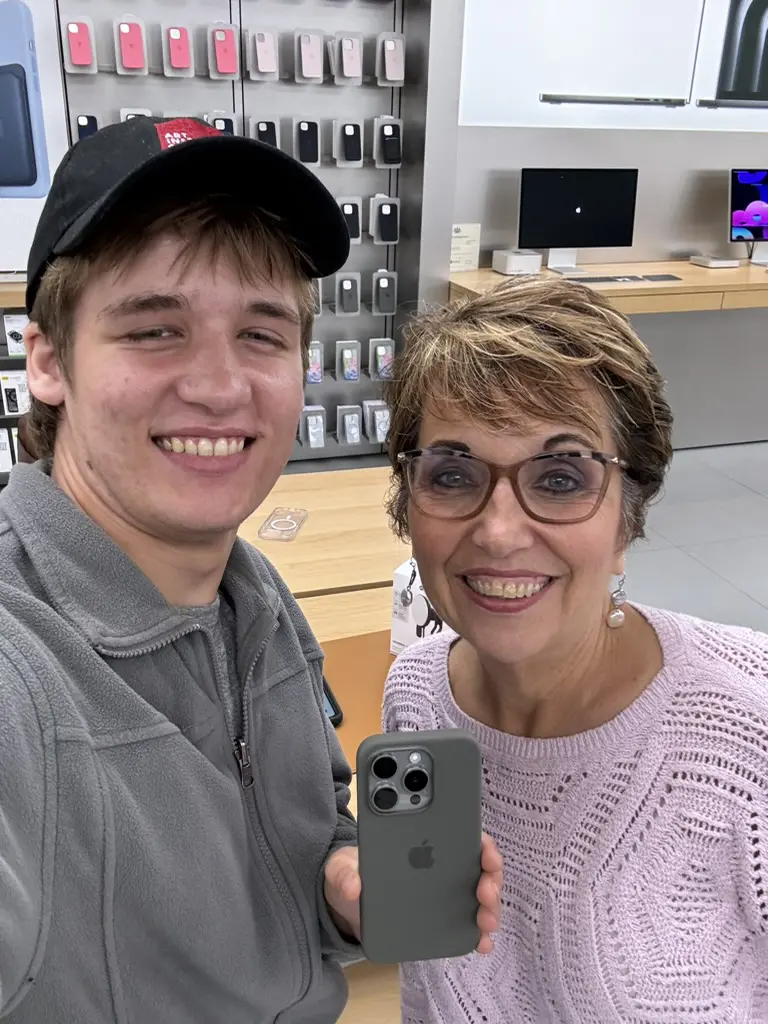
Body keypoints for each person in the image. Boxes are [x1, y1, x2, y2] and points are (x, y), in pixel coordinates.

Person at [0, 116, 501, 1024]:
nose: (222, 386)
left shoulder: (250, 591)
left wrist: (344, 883)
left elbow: (299, 821)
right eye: (156, 329)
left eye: (263, 335)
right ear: (47, 359)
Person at [381, 276, 768, 1023]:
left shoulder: (747, 737)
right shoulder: (416, 694)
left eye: (560, 478)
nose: (497, 532)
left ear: (628, 518)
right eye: (453, 474)